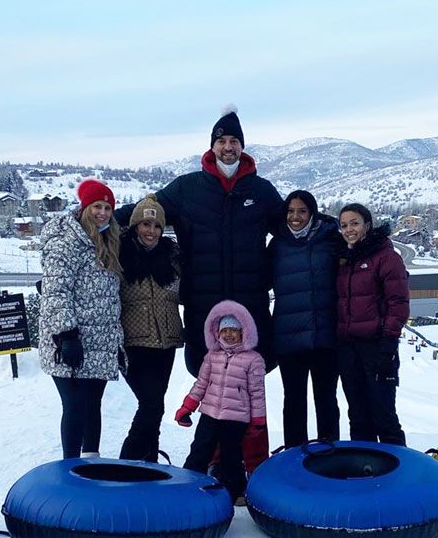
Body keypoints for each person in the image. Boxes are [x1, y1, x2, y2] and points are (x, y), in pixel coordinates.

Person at [115, 106, 282, 472]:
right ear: (211, 145)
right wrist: (100, 218)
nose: (227, 147)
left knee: (249, 385)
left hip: (249, 307)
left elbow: (291, 225)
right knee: (212, 384)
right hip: (204, 310)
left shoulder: (261, 190)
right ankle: (217, 465)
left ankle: (254, 466)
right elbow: (147, 210)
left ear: (242, 146)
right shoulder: (187, 189)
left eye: (234, 140)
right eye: (221, 140)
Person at [39, 179, 125, 459]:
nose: (102, 213)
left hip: (100, 341)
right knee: (75, 406)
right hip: (70, 342)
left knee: (92, 405)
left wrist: (117, 342)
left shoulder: (107, 240)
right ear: (84, 207)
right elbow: (55, 291)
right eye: (96, 206)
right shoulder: (66, 242)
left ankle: (91, 462)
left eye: (108, 208)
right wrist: (67, 335)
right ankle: (71, 467)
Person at [267, 190, 343, 447]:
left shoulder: (331, 239)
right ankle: (294, 456)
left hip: (326, 336)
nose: (295, 217)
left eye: (301, 211)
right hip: (289, 338)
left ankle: (330, 454)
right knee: (294, 401)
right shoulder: (277, 244)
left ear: (312, 212)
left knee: (326, 400)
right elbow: (258, 281)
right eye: (290, 211)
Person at [175, 300, 266, 502]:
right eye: (225, 330)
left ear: (244, 332)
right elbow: (201, 384)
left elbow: (257, 392)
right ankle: (188, 483)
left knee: (231, 455)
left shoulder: (253, 359)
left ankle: (235, 491)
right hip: (209, 413)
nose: (229, 334)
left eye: (234, 330)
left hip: (236, 417)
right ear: (217, 333)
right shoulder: (212, 356)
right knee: (200, 448)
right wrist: (187, 406)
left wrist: (258, 420)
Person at [336, 203, 410, 446]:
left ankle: (398, 475)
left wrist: (388, 341)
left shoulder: (386, 257)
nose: (349, 229)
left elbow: (398, 302)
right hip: (348, 348)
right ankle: (365, 472)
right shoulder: (344, 260)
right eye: (344, 225)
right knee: (358, 416)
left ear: (367, 225)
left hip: (377, 346)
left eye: (354, 223)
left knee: (384, 415)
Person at [118, 194, 184, 462]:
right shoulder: (120, 256)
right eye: (145, 224)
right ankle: (128, 464)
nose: (151, 231)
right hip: (133, 343)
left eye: (157, 226)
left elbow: (186, 292)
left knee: (156, 406)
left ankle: (149, 463)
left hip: (166, 342)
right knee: (151, 404)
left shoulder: (172, 257)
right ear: (135, 226)